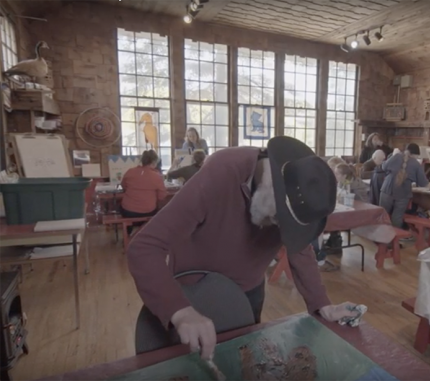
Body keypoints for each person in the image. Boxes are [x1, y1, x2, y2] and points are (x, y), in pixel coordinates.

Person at [126, 136, 360, 361]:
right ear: (272, 188)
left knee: (240, 363)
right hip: (193, 291)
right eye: (281, 220)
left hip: (247, 291)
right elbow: (145, 247)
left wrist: (322, 305)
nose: (280, 230)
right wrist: (180, 311)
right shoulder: (223, 170)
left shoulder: (293, 189)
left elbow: (299, 248)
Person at [380, 143, 429, 229]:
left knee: (383, 215)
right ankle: (395, 238)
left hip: (387, 189)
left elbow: (383, 167)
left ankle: (380, 238)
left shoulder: (396, 156)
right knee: (397, 217)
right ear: (415, 154)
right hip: (403, 193)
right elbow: (424, 183)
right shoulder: (416, 164)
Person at [120, 150, 167, 234]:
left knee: (122, 206)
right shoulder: (157, 176)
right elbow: (162, 196)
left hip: (128, 211)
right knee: (157, 211)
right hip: (148, 211)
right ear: (154, 162)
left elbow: (124, 186)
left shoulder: (130, 171)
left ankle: (127, 235)